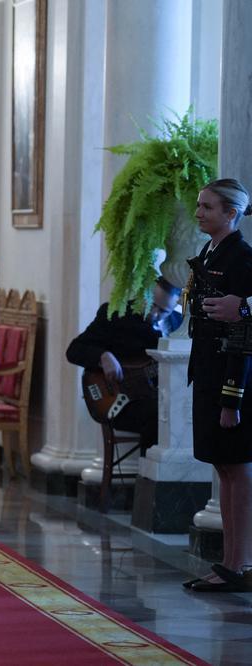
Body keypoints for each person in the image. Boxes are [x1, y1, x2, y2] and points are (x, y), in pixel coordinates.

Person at [182, 178, 252, 593]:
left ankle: (238, 563)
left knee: (237, 467)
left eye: (208, 207)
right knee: (222, 467)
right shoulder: (210, 254)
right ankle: (228, 561)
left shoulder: (241, 259)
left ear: (231, 213)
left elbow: (244, 334)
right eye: (199, 204)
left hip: (232, 375)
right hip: (207, 368)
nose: (199, 212)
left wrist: (233, 397)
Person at [66, 277, 182, 446]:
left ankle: (178, 471)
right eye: (151, 304)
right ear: (143, 294)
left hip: (163, 397)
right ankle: (149, 473)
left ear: (174, 307)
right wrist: (103, 356)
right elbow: (74, 350)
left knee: (181, 412)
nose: (154, 313)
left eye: (163, 310)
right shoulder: (115, 313)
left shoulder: (180, 324)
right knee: (159, 415)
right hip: (122, 402)